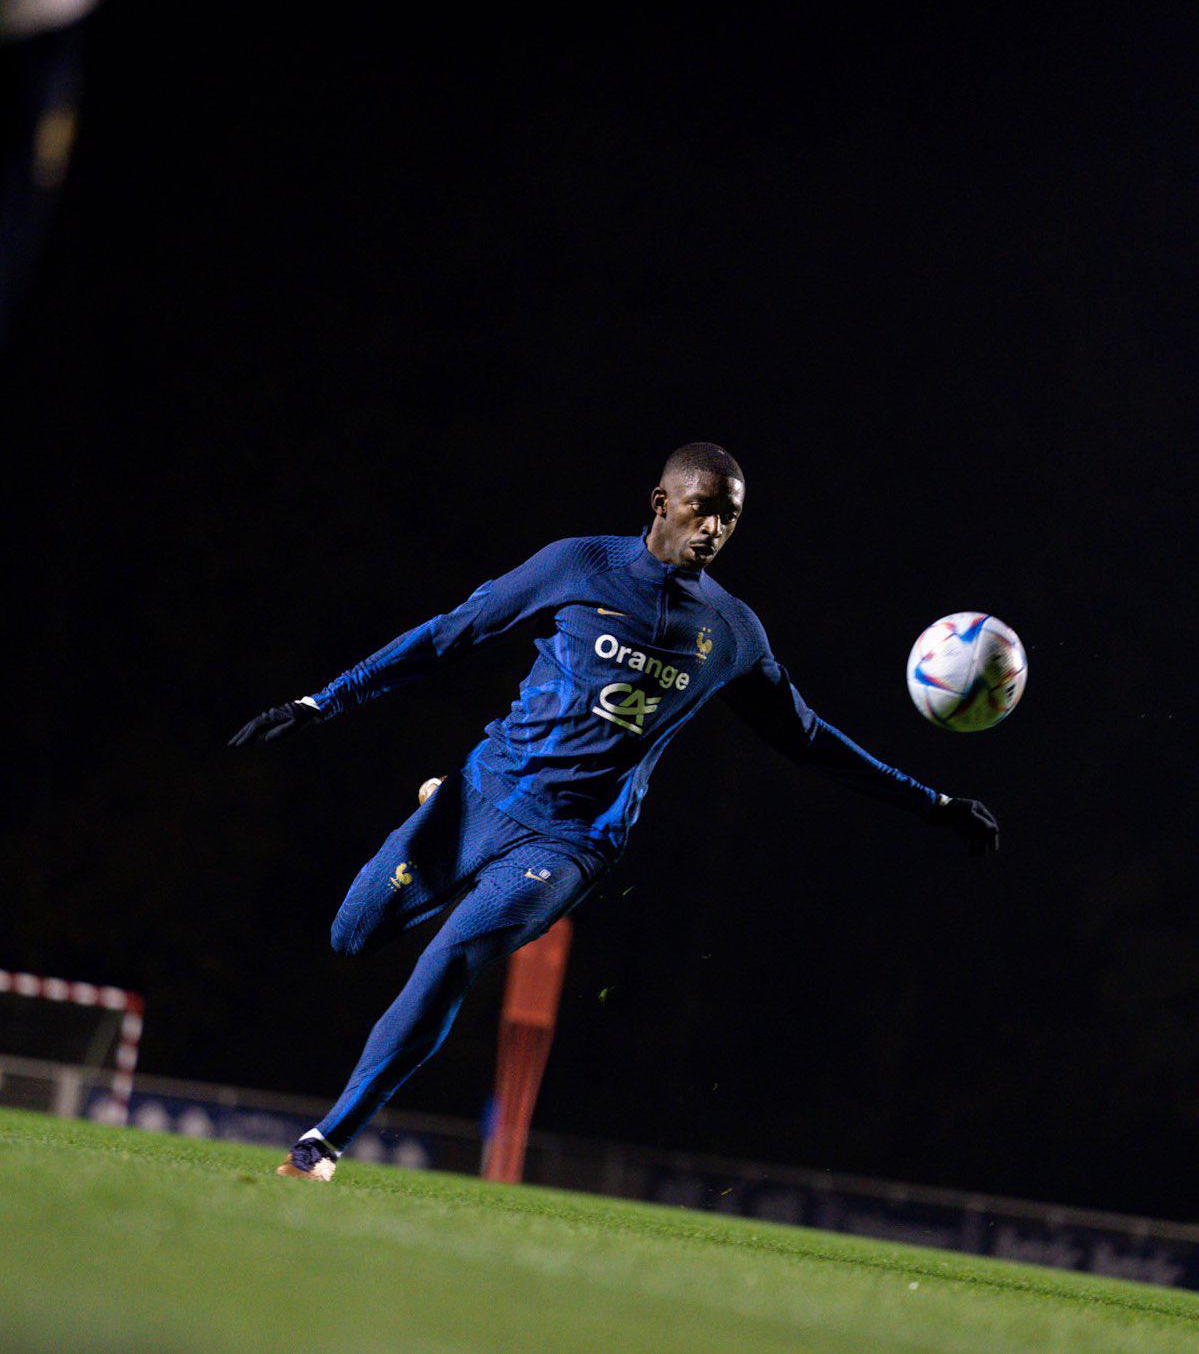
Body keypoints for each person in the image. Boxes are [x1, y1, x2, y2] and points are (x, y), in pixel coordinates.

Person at [230, 442, 998, 1181]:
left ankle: (322, 1144)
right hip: (480, 797)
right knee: (350, 936)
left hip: (570, 843)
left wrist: (930, 803)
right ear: (660, 501)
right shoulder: (578, 565)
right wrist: (322, 701)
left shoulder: (729, 632)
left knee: (451, 959)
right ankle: (436, 805)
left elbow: (806, 739)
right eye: (701, 510)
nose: (713, 531)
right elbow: (448, 635)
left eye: (728, 519)